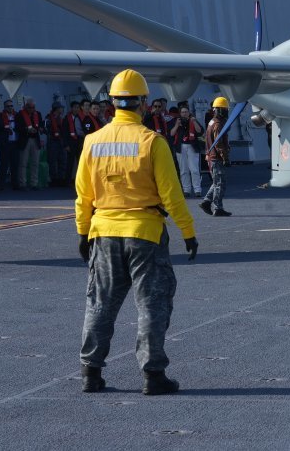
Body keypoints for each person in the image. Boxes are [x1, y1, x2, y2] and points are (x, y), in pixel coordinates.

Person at [75, 69, 198, 396]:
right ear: (142, 103)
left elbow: (82, 195)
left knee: (100, 304)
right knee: (151, 305)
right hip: (144, 233)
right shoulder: (152, 142)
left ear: (113, 102)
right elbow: (172, 194)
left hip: (103, 232)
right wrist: (188, 232)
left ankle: (90, 372)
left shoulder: (92, 142)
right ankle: (152, 375)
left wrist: (83, 232)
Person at [201, 97, 232, 216]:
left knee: (216, 182)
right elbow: (219, 143)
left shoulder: (211, 122)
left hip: (212, 156)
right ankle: (218, 208)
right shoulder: (218, 124)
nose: (226, 111)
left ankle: (206, 202)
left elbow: (207, 139)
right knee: (220, 183)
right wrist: (225, 158)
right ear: (219, 110)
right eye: (224, 109)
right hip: (217, 157)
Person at [170, 104, 204, 197]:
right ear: (180, 113)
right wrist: (177, 125)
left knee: (194, 169)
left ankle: (197, 189)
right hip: (181, 147)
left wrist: (195, 122)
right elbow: (172, 133)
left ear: (189, 113)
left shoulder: (193, 120)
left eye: (186, 112)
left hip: (192, 146)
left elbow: (200, 132)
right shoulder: (176, 121)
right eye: (182, 112)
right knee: (183, 170)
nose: (184, 114)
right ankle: (186, 190)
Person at [17, 97, 44, 190]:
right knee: (23, 163)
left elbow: (41, 125)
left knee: (35, 163)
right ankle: (22, 183)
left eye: (33, 107)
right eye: (30, 107)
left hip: (35, 140)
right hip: (25, 140)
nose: (32, 109)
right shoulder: (20, 114)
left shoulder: (38, 114)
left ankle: (34, 183)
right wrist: (27, 129)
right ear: (26, 106)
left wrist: (40, 128)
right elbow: (17, 128)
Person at [0, 99, 20, 190]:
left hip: (15, 143)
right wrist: (6, 128)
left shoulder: (17, 116)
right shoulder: (0, 116)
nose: (10, 108)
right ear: (4, 107)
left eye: (11, 106)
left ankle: (15, 184)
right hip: (5, 143)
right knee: (4, 165)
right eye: (8, 106)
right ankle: (1, 185)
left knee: (15, 164)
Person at [47, 102, 68, 187]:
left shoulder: (62, 118)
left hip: (61, 141)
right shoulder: (49, 118)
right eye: (60, 108)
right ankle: (54, 179)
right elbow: (48, 129)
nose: (62, 109)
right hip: (53, 141)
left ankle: (61, 178)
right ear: (56, 109)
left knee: (62, 160)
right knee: (53, 161)